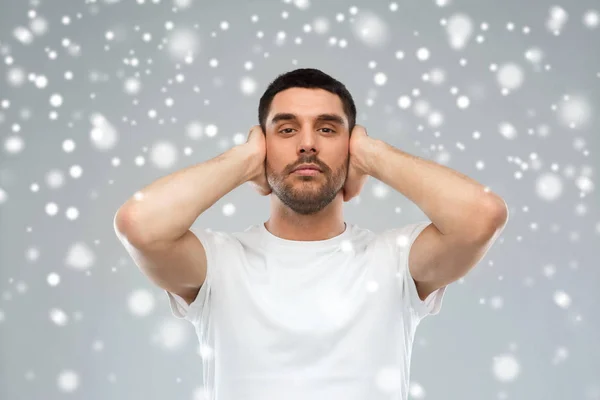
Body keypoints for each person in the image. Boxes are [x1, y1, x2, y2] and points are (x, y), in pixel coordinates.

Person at [114, 68, 508, 400]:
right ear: (262, 144)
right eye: (286, 130)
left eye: (327, 129)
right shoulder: (219, 262)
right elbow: (139, 226)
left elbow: (482, 216)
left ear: (350, 146)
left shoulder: (393, 259)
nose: (307, 144)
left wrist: (373, 155)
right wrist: (244, 160)